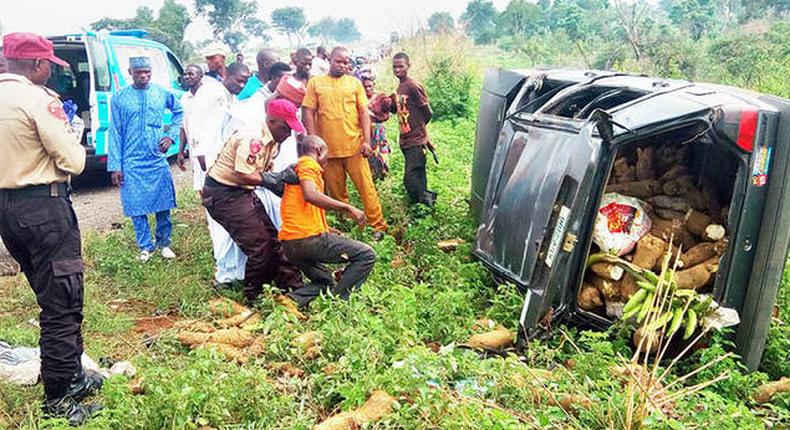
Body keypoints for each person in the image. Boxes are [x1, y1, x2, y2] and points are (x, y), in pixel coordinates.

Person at [0, 32, 102, 425]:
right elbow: (74, 160)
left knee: (50, 294)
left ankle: (72, 375)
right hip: (45, 207)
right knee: (62, 304)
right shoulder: (39, 100)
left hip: (9, 213)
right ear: (38, 65)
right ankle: (60, 397)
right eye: (49, 65)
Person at [201, 99, 304, 304]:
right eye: (285, 128)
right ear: (272, 120)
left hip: (240, 192)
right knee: (260, 246)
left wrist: (279, 180)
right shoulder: (253, 138)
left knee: (274, 239)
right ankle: (254, 295)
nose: (288, 134)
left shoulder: (273, 140)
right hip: (224, 193)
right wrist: (273, 179)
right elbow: (243, 174)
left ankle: (292, 286)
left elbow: (261, 171)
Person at [280, 135, 376, 308]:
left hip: (290, 244)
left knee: (326, 282)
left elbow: (304, 207)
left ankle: (290, 301)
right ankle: (339, 305)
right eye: (327, 154)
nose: (328, 160)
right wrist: (347, 208)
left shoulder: (299, 170)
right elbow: (311, 195)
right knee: (366, 255)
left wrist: (327, 228)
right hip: (307, 239)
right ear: (319, 150)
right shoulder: (308, 164)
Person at [302, 46, 388, 233]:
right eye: (338, 61)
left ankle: (378, 226)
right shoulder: (316, 83)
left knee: (367, 189)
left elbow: (364, 113)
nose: (342, 65)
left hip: (355, 147)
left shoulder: (354, 83)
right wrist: (313, 140)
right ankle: (348, 227)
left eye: (346, 62)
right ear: (329, 60)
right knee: (337, 193)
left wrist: (367, 141)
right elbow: (308, 111)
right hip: (327, 151)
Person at [108, 57, 183, 262]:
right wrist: (116, 166)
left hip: (156, 157)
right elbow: (115, 132)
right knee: (135, 204)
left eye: (147, 72)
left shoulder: (161, 93)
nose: (144, 76)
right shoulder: (120, 98)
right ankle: (145, 246)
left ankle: (164, 243)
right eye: (139, 72)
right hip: (131, 160)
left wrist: (170, 136)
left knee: (163, 200)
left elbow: (179, 111)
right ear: (129, 72)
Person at [189, 62, 251, 288]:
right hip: (212, 172)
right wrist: (210, 175)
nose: (242, 85)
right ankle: (225, 275)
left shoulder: (230, 97)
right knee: (220, 226)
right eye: (239, 80)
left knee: (233, 223)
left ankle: (237, 272)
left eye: (246, 81)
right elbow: (197, 132)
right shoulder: (210, 93)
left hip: (226, 170)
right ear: (226, 74)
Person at [391, 52, 437, 208]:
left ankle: (426, 202)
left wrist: (420, 132)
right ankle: (422, 207)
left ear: (408, 66)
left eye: (401, 66)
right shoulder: (400, 87)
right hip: (406, 140)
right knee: (418, 175)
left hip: (416, 140)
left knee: (410, 177)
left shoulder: (412, 86)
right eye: (394, 67)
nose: (397, 70)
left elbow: (427, 112)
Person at [176, 64, 204, 183]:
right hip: (194, 149)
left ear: (201, 76)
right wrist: (181, 152)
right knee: (199, 183)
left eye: (191, 74)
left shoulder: (209, 95)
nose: (187, 77)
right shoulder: (184, 99)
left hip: (210, 149)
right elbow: (183, 127)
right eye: (185, 74)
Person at [360, 75, 391, 181]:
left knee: (382, 152)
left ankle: (384, 174)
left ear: (374, 85)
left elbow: (387, 113)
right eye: (365, 86)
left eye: (370, 86)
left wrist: (372, 115)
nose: (368, 89)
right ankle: (372, 177)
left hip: (378, 130)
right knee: (369, 155)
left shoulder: (381, 97)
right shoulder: (360, 99)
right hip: (366, 130)